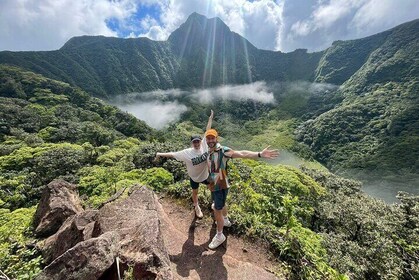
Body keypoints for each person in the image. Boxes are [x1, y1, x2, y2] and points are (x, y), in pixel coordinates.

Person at [204, 128, 279, 249]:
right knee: (221, 204)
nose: (210, 140)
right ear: (206, 140)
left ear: (216, 138)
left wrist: (259, 154)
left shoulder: (223, 151)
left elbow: (241, 153)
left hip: (220, 185)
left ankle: (219, 235)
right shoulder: (208, 151)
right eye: (208, 138)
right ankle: (226, 220)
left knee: (217, 209)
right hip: (214, 184)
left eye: (213, 138)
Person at [155, 110, 214, 218]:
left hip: (205, 175)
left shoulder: (205, 146)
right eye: (194, 142)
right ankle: (196, 206)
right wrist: (159, 153)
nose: (196, 143)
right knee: (195, 192)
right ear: (192, 143)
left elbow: (207, 130)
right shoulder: (186, 153)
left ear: (201, 141)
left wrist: (210, 118)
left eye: (198, 141)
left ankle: (213, 203)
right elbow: (172, 154)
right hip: (194, 177)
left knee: (212, 187)